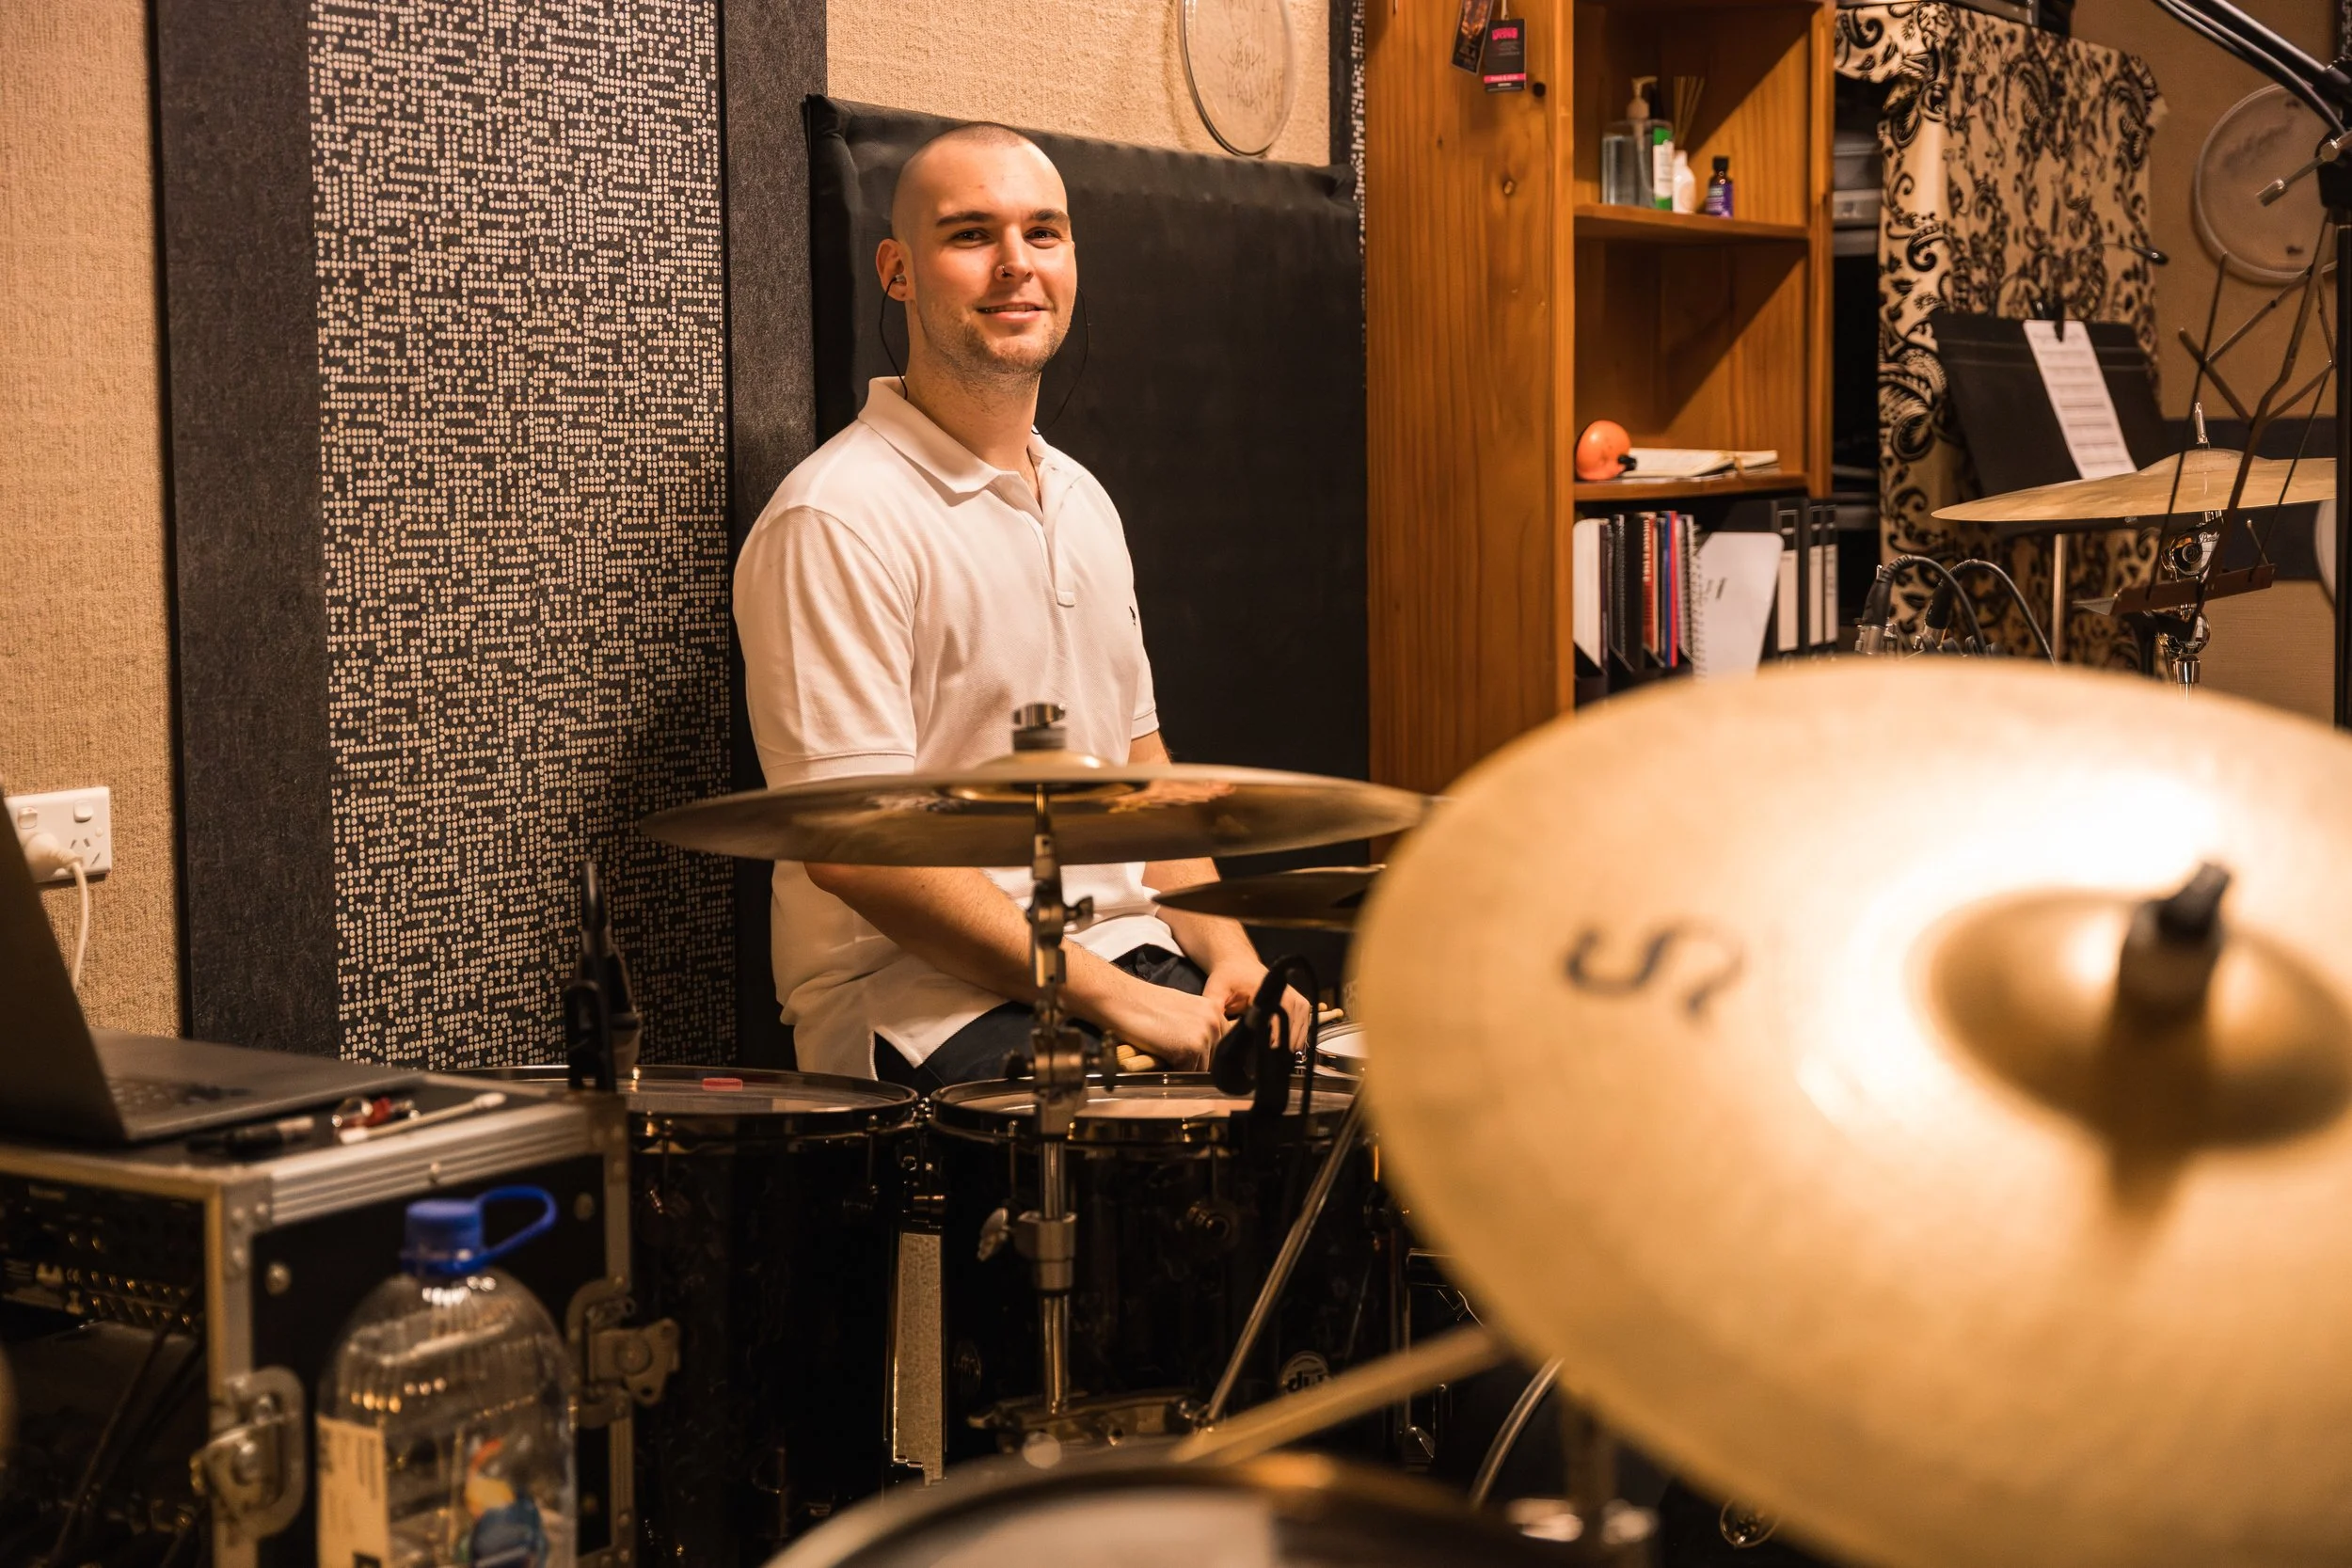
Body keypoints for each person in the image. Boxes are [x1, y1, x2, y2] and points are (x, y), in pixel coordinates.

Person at [734, 122, 1311, 1089]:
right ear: (898, 270)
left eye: (1044, 233)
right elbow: (856, 853)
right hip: (924, 1009)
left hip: (1128, 959)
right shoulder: (836, 518)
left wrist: (1234, 958)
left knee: (1334, 1103)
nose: (1016, 265)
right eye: (970, 235)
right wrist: (1120, 1000)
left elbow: (1142, 770)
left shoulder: (1082, 499)